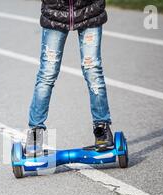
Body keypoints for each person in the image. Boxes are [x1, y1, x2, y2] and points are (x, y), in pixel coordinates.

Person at [26, 0, 113, 157]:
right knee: (47, 73)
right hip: (55, 13)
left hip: (90, 10)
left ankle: (102, 129)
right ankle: (35, 133)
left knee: (92, 70)